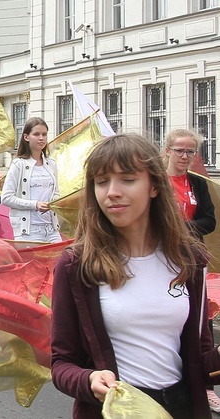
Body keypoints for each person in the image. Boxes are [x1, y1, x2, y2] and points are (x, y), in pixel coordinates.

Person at [50, 133, 220, 419]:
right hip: (115, 411)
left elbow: (200, 362)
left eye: (127, 179)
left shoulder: (190, 261)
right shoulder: (75, 265)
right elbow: (62, 363)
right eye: (102, 182)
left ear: (154, 186)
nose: (111, 192)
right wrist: (88, 381)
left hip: (182, 408)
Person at [164, 128, 220, 413]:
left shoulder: (197, 184)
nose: (185, 157)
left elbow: (209, 221)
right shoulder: (156, 182)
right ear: (168, 150)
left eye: (190, 152)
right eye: (180, 151)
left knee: (200, 319)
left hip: (193, 258)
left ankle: (207, 384)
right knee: (169, 315)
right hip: (163, 259)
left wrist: (184, 229)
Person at [1, 117, 61, 242]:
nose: (41, 138)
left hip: (51, 229)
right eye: (36, 134)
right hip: (28, 230)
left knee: (60, 260)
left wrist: (55, 202)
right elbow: (6, 198)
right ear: (26, 137)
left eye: (44, 134)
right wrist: (35, 204)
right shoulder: (18, 164)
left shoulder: (51, 164)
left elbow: (55, 192)